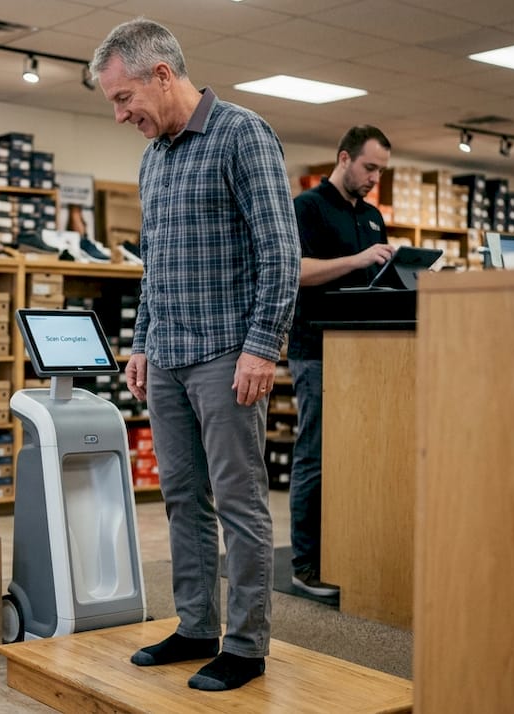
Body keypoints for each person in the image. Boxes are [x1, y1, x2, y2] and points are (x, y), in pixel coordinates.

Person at [90, 18, 300, 692]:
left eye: (124, 99)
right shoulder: (154, 159)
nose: (122, 115)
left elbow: (281, 252)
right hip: (170, 354)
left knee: (239, 501)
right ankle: (196, 625)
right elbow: (154, 266)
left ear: (161, 74)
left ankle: (244, 644)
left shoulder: (243, 135)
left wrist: (262, 346)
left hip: (227, 355)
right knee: (181, 496)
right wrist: (143, 341)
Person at [287, 126, 394, 598]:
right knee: (317, 455)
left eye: (381, 171)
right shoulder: (306, 208)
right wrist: (358, 259)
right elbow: (297, 270)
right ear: (344, 157)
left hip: (366, 354)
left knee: (357, 458)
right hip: (316, 350)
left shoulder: (372, 217)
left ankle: (347, 551)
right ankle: (305, 563)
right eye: (369, 167)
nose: (374, 178)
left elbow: (377, 280)